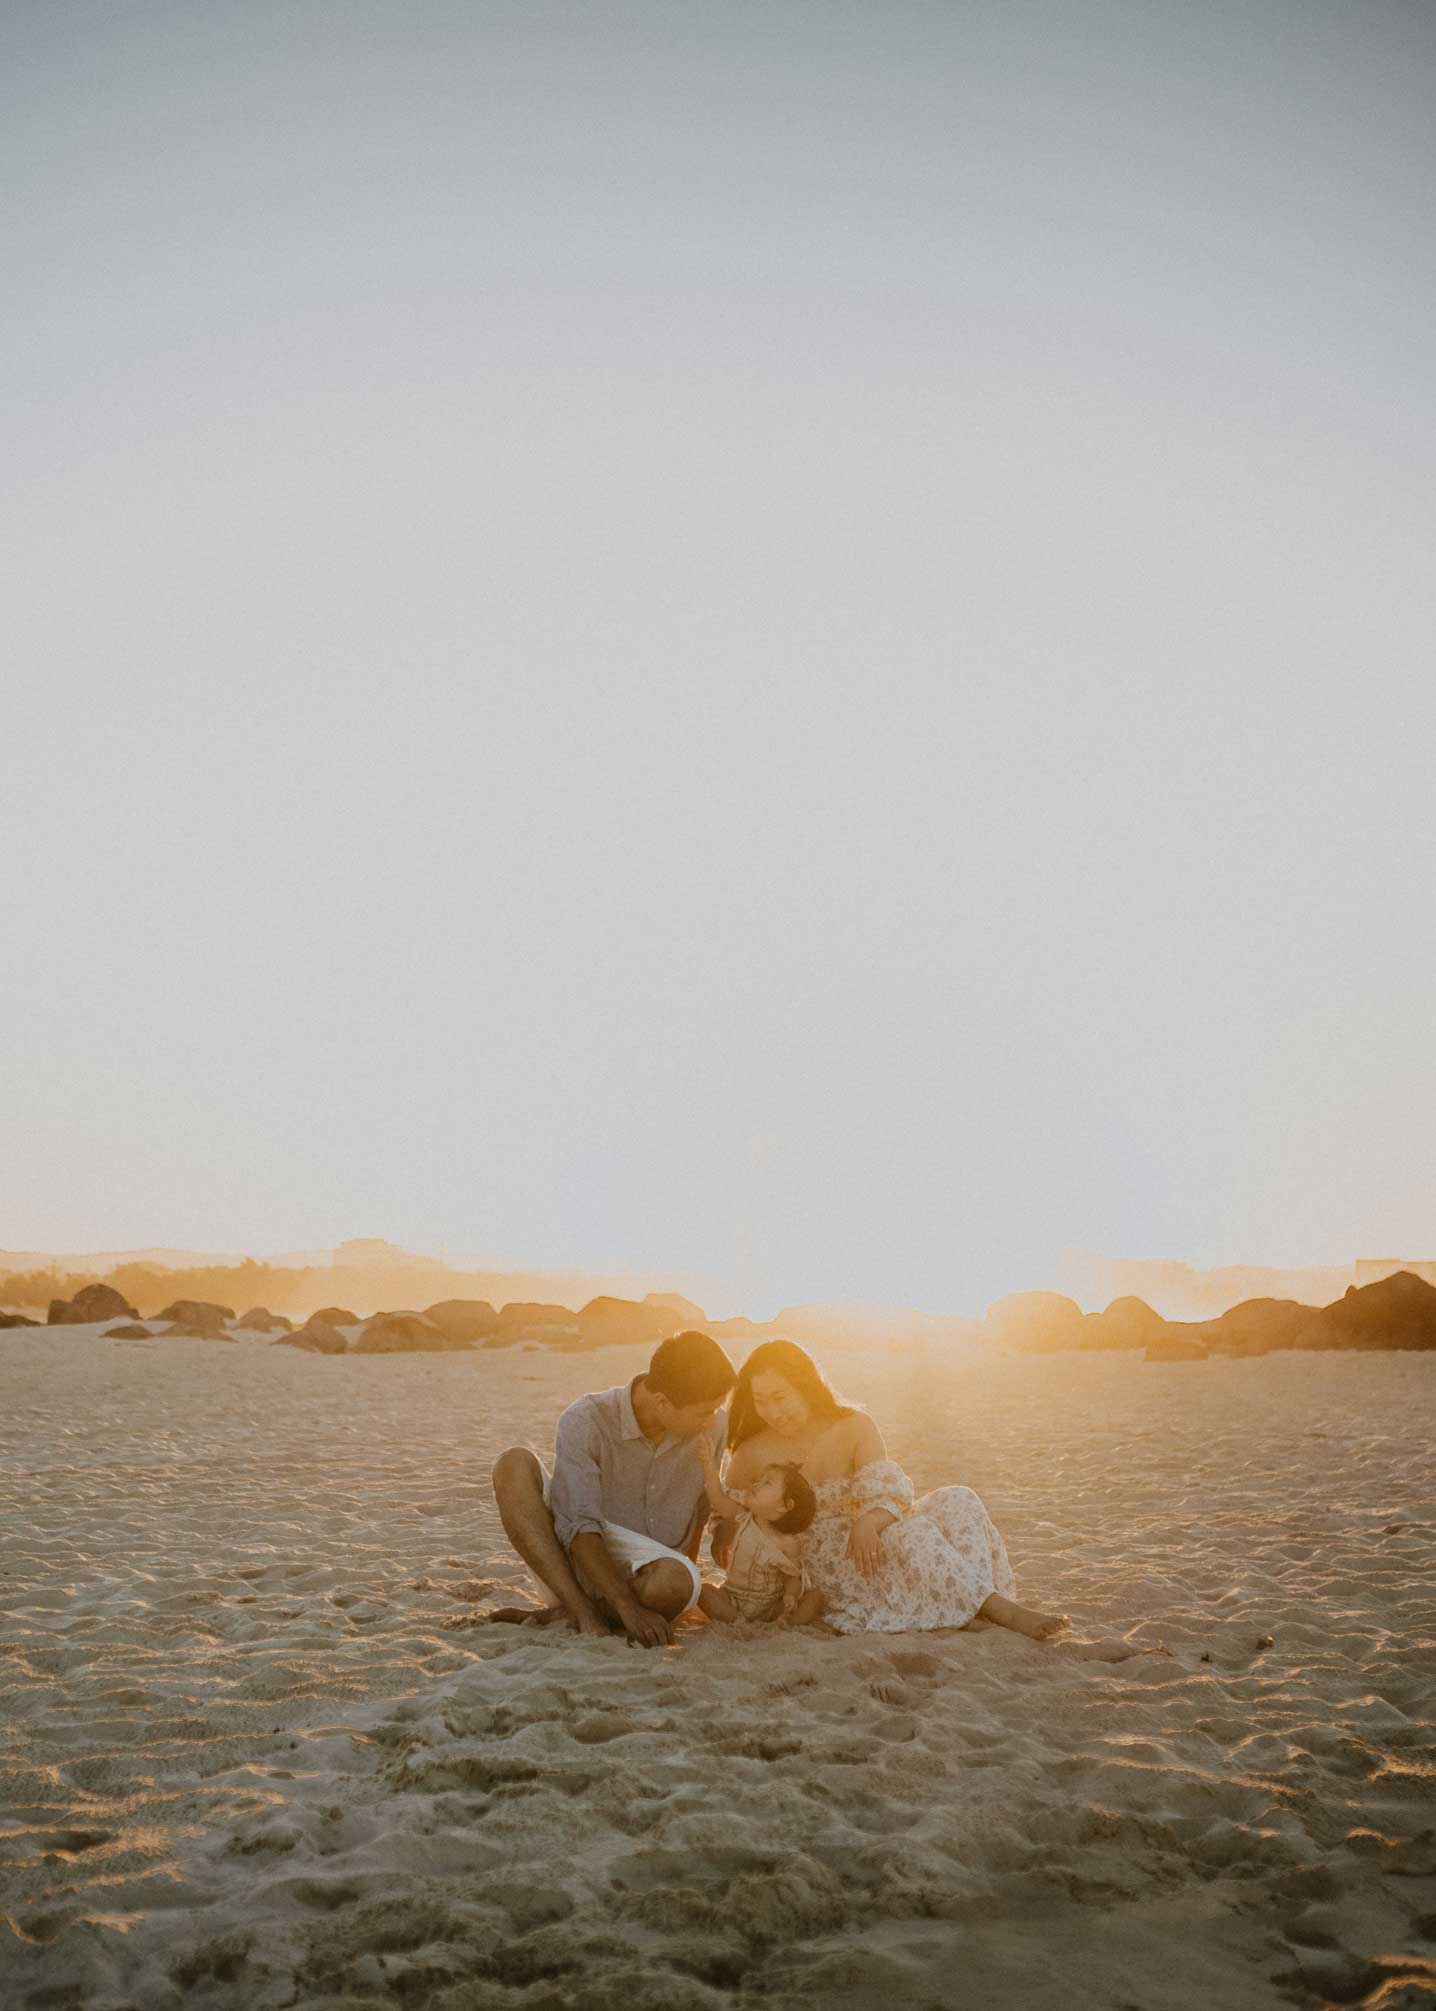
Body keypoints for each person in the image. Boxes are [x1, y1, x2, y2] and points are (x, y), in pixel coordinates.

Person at [720, 1339, 1068, 1640]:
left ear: (805, 1385)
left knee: (959, 1498)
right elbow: (733, 1526)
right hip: (823, 1557)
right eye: (761, 1400)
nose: (773, 1411)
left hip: (870, 1532)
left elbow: (889, 1494)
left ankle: (972, 1606)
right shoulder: (751, 1453)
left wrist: (869, 1521)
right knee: (912, 1535)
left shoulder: (854, 1425)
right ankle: (1000, 1611)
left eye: (780, 1397)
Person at [489, 1330, 736, 1647]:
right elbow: (579, 1525)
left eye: (716, 1409)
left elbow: (700, 1509)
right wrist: (627, 1607)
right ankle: (582, 1611)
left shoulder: (714, 1425)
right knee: (512, 1464)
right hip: (574, 1566)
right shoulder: (586, 1420)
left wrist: (686, 1572)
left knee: (676, 1583)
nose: (711, 1419)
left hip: (652, 1575)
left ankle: (564, 1616)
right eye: (704, 1411)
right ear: (662, 1402)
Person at [694, 1436, 820, 1626]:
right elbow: (717, 1497)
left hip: (771, 1605)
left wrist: (790, 1596)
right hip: (734, 1597)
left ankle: (791, 1621)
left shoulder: (788, 1543)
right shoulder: (742, 1516)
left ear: (785, 1505)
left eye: (767, 1483)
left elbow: (793, 1576)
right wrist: (708, 1463)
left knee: (815, 1597)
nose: (755, 1484)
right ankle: (737, 1620)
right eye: (759, 1480)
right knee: (702, 1591)